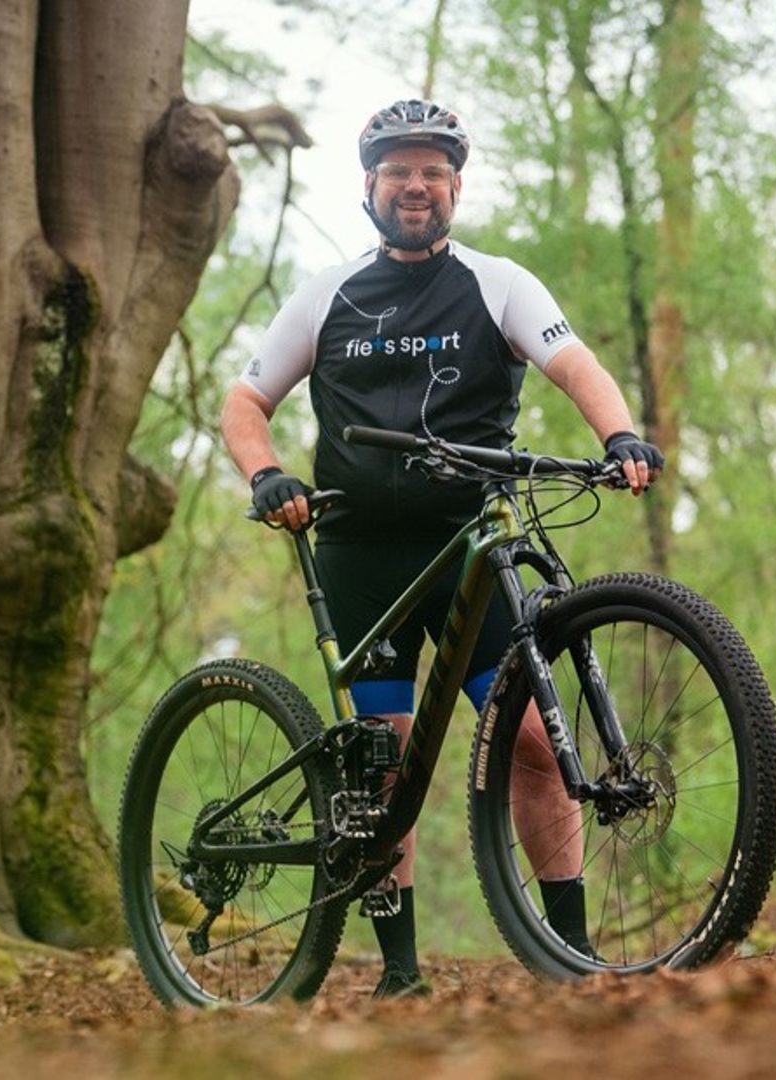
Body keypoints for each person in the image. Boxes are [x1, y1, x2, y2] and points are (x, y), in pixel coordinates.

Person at [219, 99, 665, 999]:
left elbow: (571, 360)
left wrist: (619, 435)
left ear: (455, 186)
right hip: (360, 555)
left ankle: (568, 961)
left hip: (473, 548)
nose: (413, 185)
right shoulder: (327, 294)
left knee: (535, 741)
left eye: (430, 171)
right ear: (370, 187)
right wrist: (267, 475)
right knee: (381, 756)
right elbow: (244, 403)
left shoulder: (497, 283)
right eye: (396, 170)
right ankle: (397, 974)